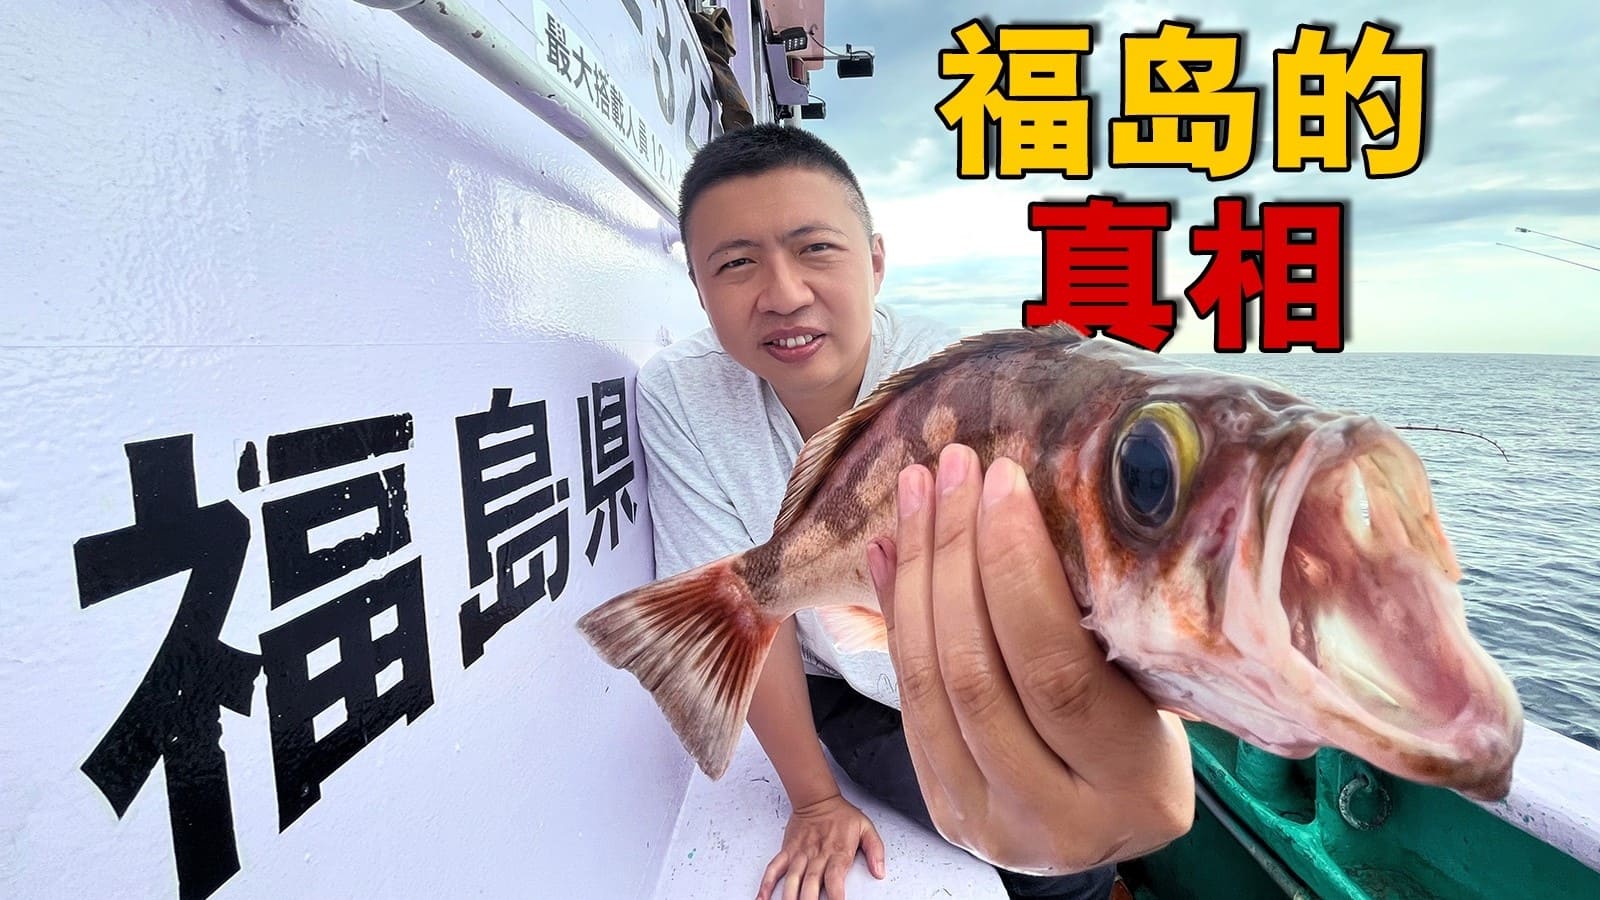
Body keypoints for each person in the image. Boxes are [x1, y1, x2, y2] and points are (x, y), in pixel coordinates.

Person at [633, 122, 1194, 900]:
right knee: (1013, 851)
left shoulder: (968, 383)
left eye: (816, 249)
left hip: (990, 679)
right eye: (736, 264)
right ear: (698, 289)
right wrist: (815, 800)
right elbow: (749, 614)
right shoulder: (677, 392)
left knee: (1065, 866)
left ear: (875, 261)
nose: (784, 294)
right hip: (842, 684)